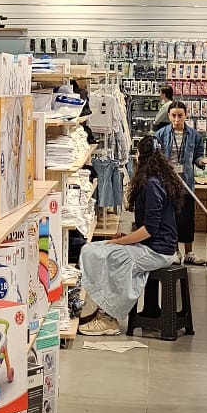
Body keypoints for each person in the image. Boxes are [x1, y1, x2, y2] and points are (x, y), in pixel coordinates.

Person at [76, 135, 181, 338]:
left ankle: (109, 317)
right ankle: (105, 310)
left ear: (140, 157)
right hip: (158, 247)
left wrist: (119, 241)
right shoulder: (160, 180)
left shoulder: (151, 184)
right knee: (99, 250)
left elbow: (149, 230)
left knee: (106, 255)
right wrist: (126, 238)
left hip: (158, 251)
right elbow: (153, 228)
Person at [156, 99, 207, 264]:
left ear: (186, 115)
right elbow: (156, 157)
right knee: (170, 219)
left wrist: (203, 161)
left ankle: (189, 252)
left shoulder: (194, 135)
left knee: (187, 219)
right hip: (167, 184)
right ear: (169, 116)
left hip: (186, 184)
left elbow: (197, 157)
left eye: (180, 115)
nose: (177, 119)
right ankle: (175, 251)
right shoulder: (161, 134)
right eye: (174, 116)